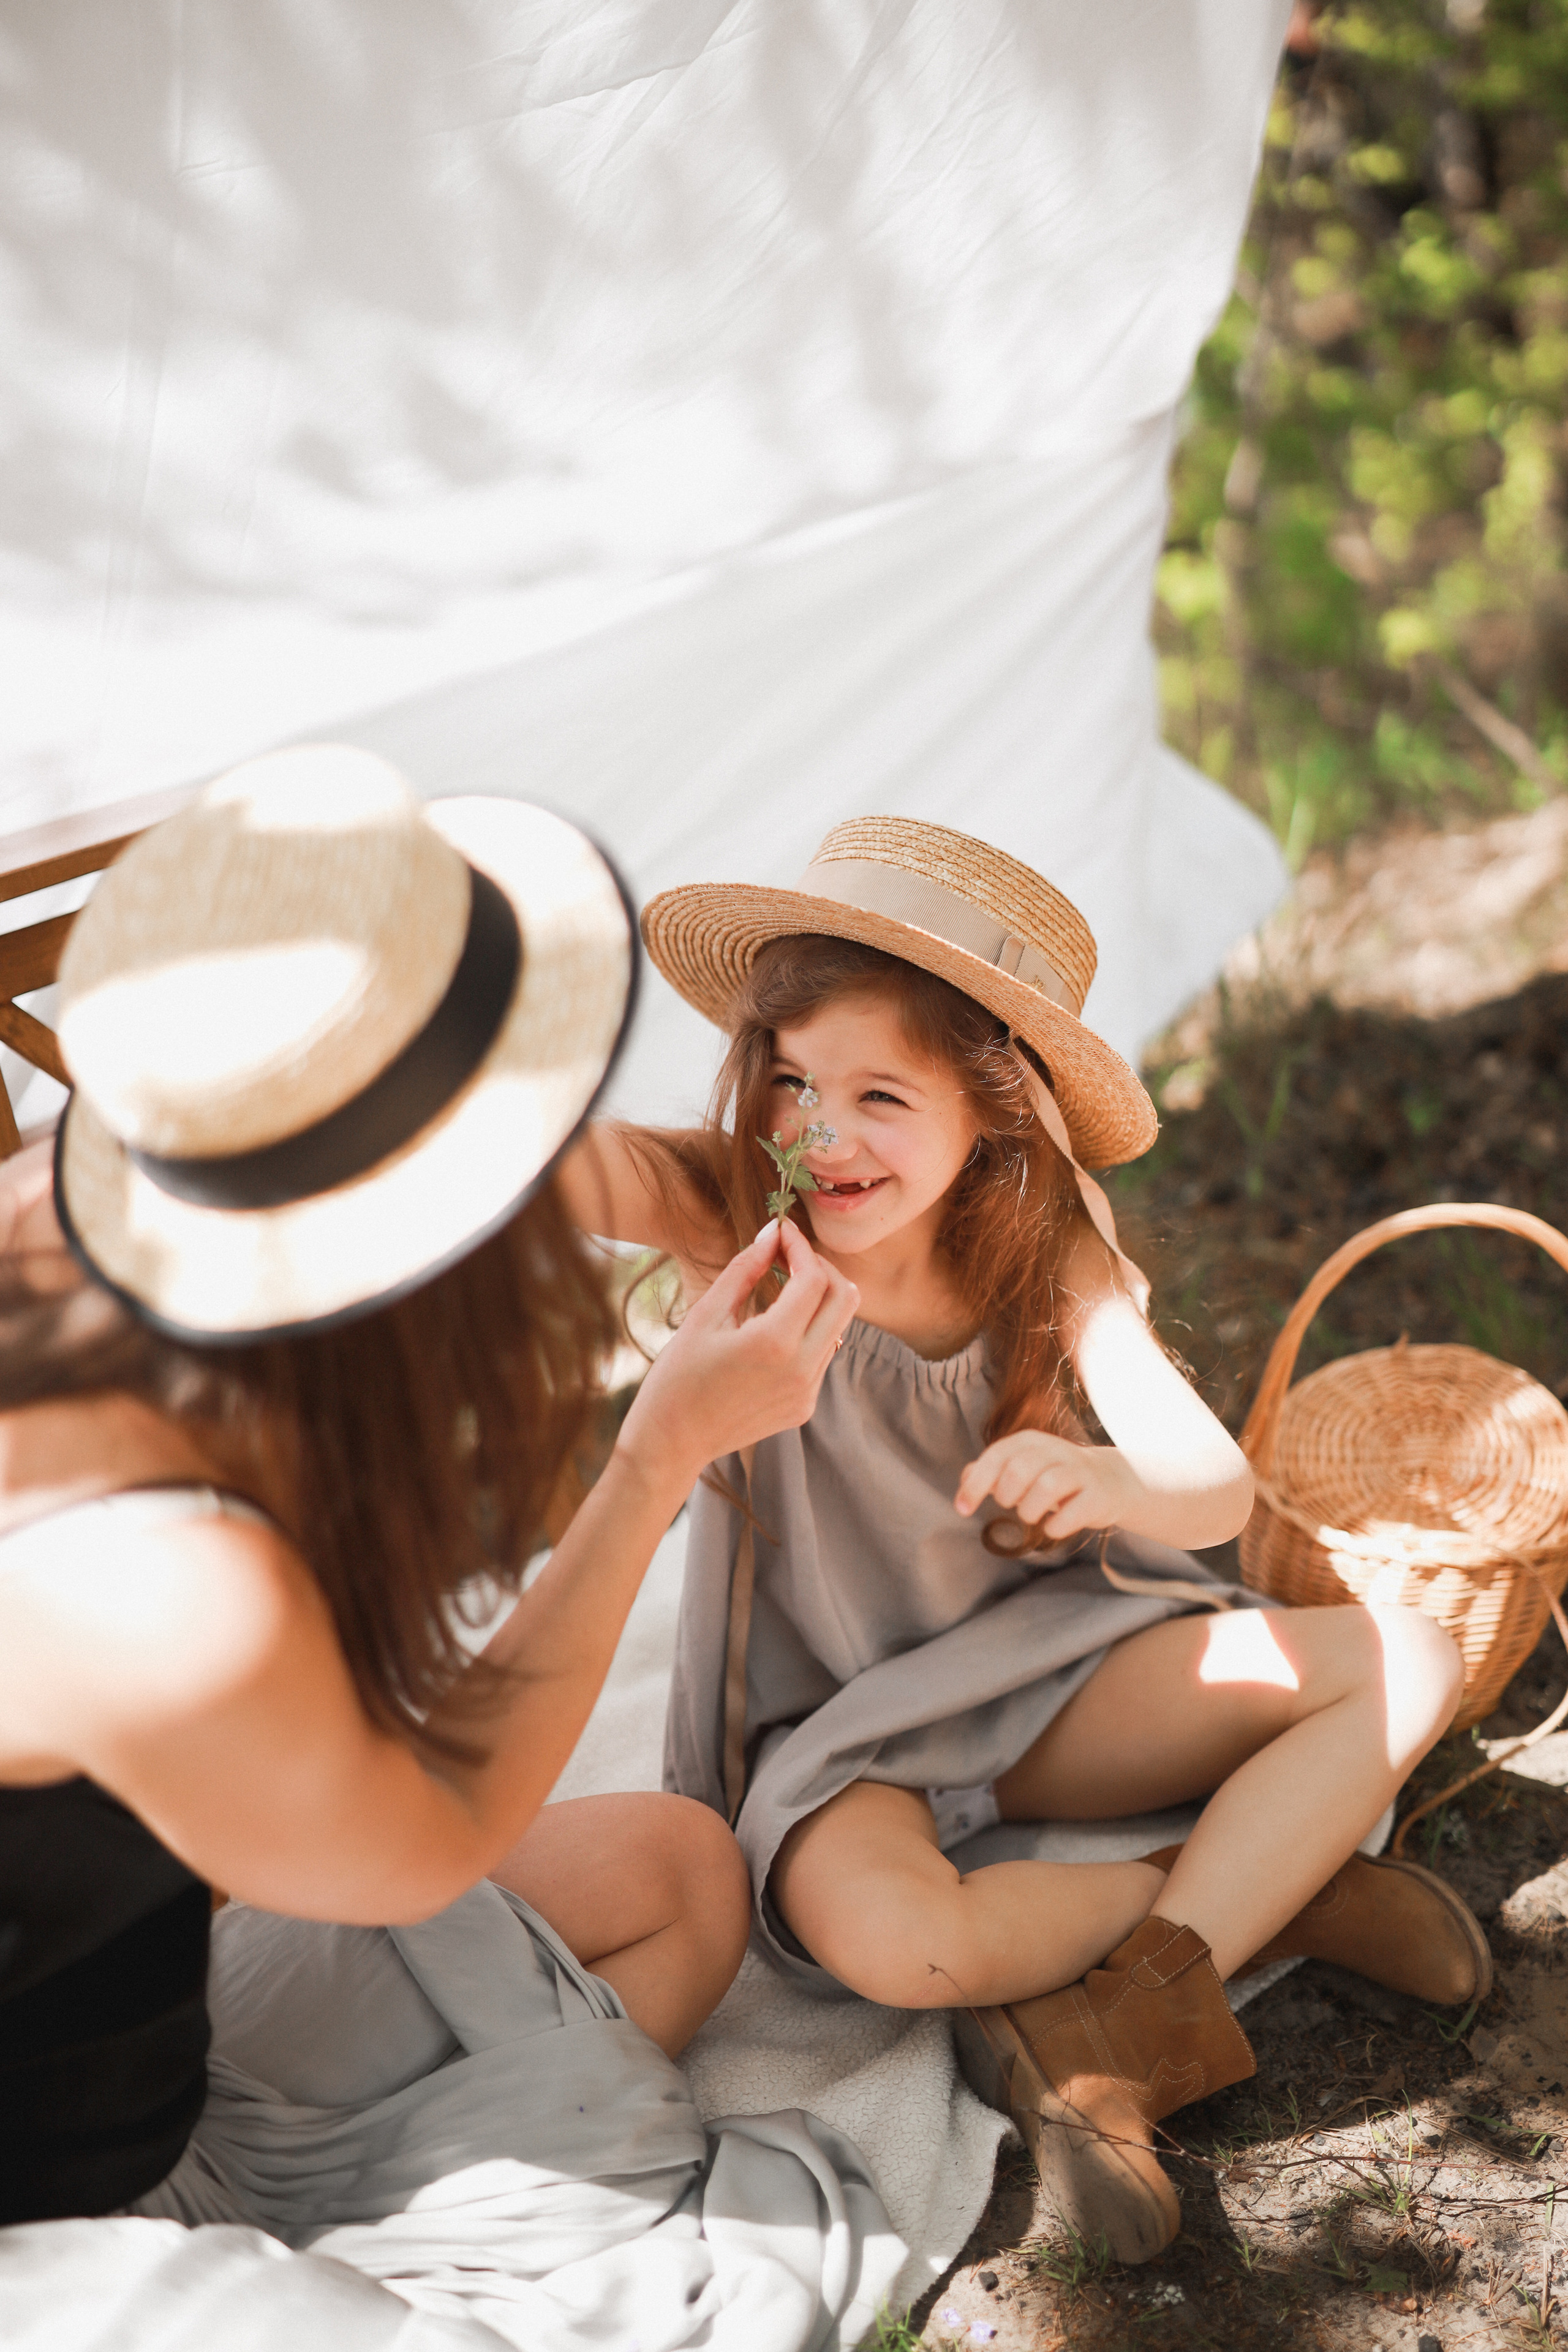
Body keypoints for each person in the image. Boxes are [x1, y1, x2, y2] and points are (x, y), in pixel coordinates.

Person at [0, 745, 880, 2343]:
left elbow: (498, 1158)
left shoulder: (80, 1207)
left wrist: (726, 1180)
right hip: (43, 2224)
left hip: (156, 1997)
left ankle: (405, 2185)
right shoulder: (161, 1585)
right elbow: (432, 1834)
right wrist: (657, 1456)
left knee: (679, 1873)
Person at [560, 812, 1489, 2264]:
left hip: (1043, 1674)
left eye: (880, 1093)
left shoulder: (1043, 1254)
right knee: (898, 1947)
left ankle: (1127, 2011)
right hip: (840, 1726)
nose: (821, 1131)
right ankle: (1274, 1894)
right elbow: (557, 1167)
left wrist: (1106, 1483)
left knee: (1406, 1650)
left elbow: (1210, 1489)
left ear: (991, 1107)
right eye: (793, 1080)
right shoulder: (736, 1206)